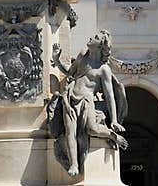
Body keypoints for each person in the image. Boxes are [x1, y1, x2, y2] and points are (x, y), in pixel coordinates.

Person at [48, 31, 128, 177]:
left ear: (100, 46)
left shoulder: (104, 69)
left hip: (87, 100)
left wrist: (115, 120)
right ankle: (74, 164)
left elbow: (110, 96)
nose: (91, 37)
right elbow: (69, 72)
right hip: (70, 97)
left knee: (92, 129)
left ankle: (113, 136)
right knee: (70, 131)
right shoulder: (83, 56)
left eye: (96, 37)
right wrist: (56, 59)